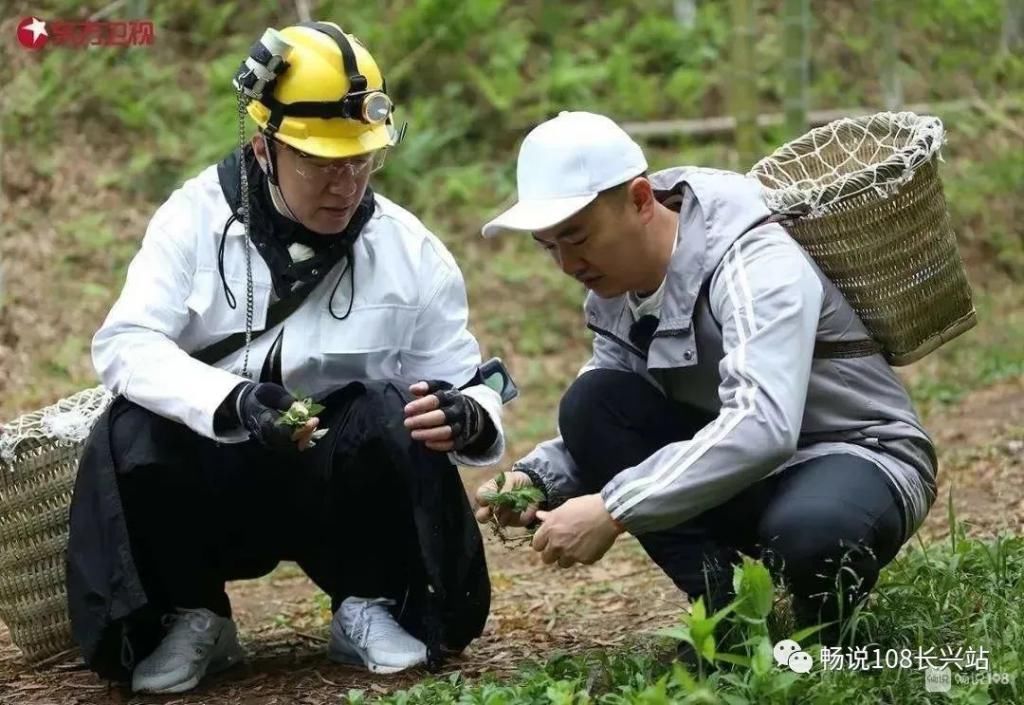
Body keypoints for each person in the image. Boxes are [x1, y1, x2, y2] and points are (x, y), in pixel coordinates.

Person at [67, 21, 506, 694]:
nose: (346, 185)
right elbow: (124, 344)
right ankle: (196, 613)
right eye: (322, 165)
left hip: (335, 491)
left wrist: (468, 415)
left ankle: (370, 598)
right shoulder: (191, 220)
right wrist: (232, 400)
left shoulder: (408, 250)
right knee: (132, 428)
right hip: (214, 477)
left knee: (397, 412)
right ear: (263, 148)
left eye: (361, 162)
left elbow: (464, 381)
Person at [475, 111, 936, 646]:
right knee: (592, 401)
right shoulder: (616, 291)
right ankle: (731, 624)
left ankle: (822, 636)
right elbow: (608, 417)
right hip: (744, 468)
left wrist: (614, 509)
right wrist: (537, 480)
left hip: (858, 455)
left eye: (577, 237)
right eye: (549, 245)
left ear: (642, 200)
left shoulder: (753, 262)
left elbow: (762, 424)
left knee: (812, 535)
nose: (565, 262)